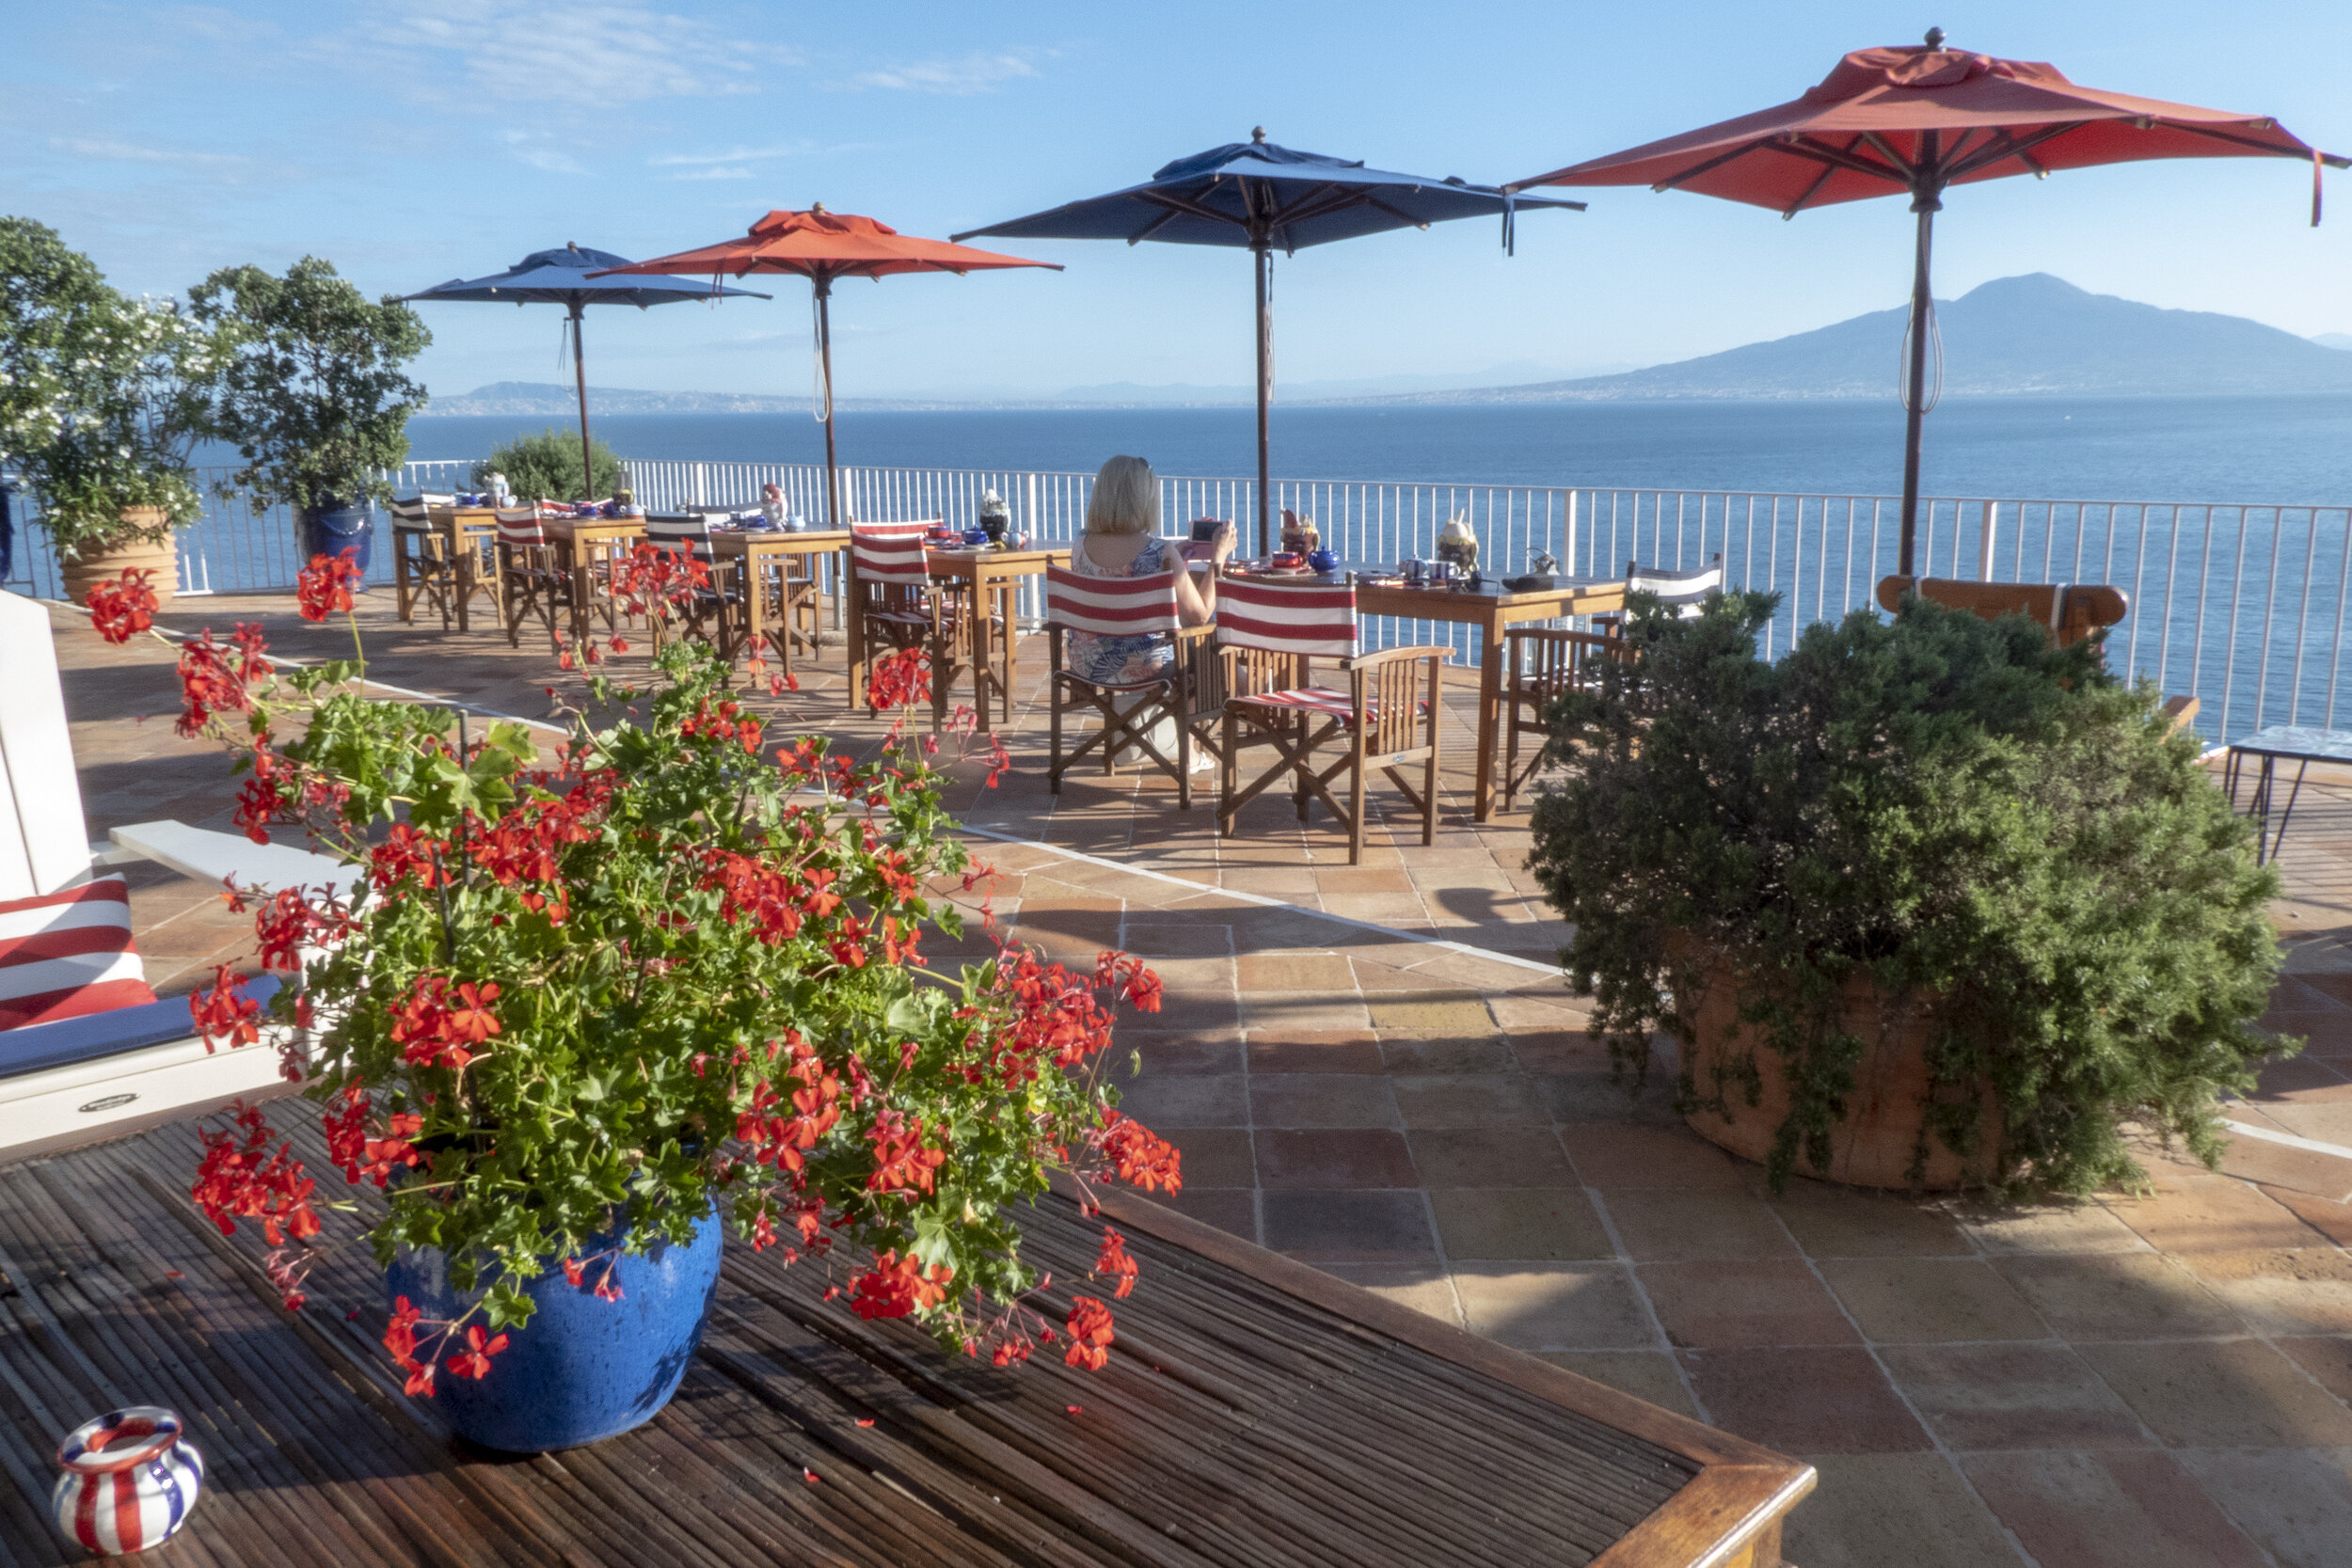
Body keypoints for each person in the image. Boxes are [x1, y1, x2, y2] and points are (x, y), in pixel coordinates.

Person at [1065, 454, 1232, 689]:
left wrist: (1174, 557)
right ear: (1143, 499)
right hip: (1145, 667)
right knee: (1217, 656)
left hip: (1087, 663)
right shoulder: (1160, 551)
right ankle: (1214, 715)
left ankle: (1154, 721)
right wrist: (1219, 556)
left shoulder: (1080, 544)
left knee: (1218, 664)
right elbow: (1201, 615)